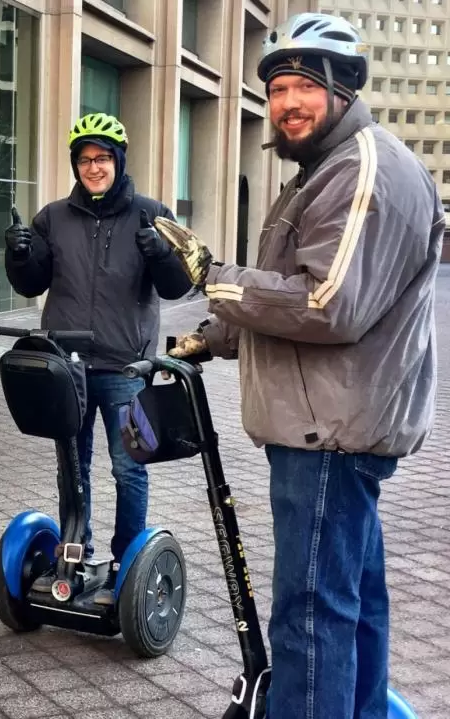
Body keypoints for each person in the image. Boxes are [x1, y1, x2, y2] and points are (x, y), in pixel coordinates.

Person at [158, 13, 443, 719]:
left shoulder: (360, 169)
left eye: (304, 86)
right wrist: (216, 334)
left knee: (309, 617)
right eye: (278, 87)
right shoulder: (325, 170)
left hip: (328, 434)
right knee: (352, 603)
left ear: (344, 88)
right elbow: (294, 290)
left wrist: (210, 275)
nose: (287, 102)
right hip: (332, 429)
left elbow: (327, 303)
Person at [3, 112, 193, 604]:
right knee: (72, 464)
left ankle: (127, 560)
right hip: (67, 365)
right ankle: (75, 550)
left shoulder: (151, 213)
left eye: (103, 158)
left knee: (128, 467)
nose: (94, 167)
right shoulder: (53, 217)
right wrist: (19, 255)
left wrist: (160, 254)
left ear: (119, 161)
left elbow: (177, 287)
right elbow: (31, 283)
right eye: (85, 159)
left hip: (125, 366)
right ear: (75, 164)